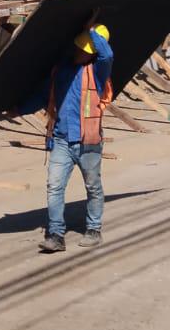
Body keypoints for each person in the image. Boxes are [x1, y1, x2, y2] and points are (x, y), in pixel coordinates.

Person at [18, 20, 114, 253]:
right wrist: (18, 110)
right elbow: (43, 96)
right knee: (54, 186)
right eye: (80, 47)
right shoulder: (61, 70)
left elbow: (107, 56)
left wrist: (92, 33)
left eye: (85, 50)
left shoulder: (98, 73)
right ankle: (56, 235)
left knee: (93, 187)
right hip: (61, 139)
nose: (80, 52)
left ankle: (93, 229)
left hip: (88, 141)